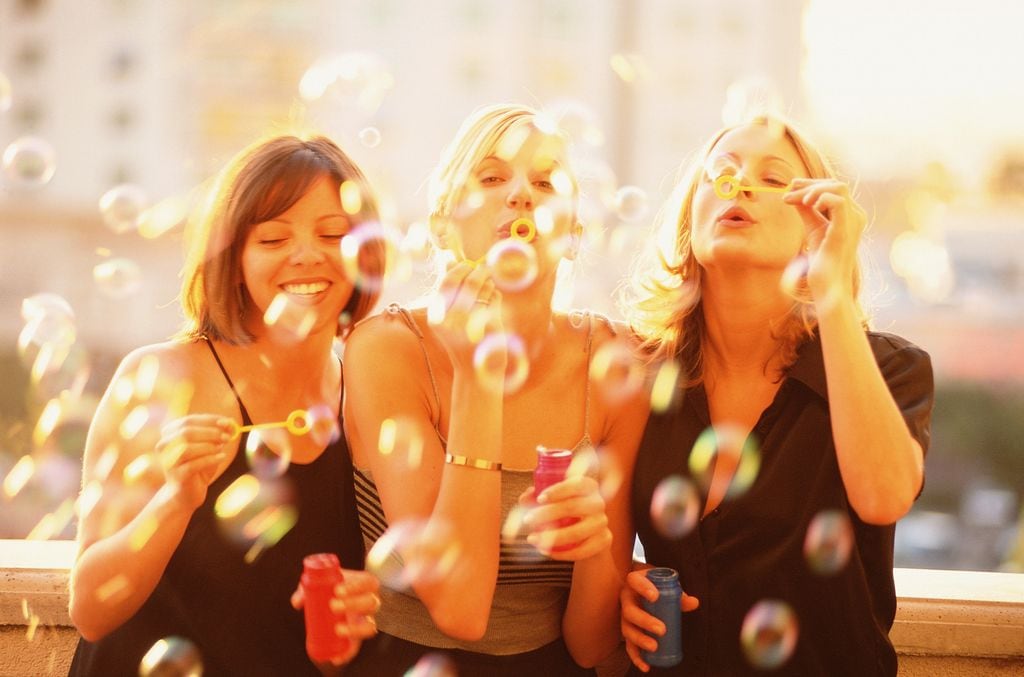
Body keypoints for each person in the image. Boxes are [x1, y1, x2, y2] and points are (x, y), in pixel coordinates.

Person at [617, 115, 934, 675]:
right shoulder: (641, 375)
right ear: (691, 218)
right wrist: (622, 589)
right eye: (723, 173)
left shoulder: (888, 368)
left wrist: (829, 288)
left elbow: (884, 497)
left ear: (816, 222)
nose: (739, 186)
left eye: (773, 178)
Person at [342, 103, 649, 676]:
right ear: (441, 222)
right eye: (491, 177)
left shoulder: (619, 362)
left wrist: (597, 548)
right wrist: (479, 376)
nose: (521, 196)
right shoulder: (386, 349)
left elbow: (591, 645)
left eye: (545, 182)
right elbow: (459, 610)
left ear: (574, 232)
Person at [68, 134, 384, 676]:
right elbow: (91, 610)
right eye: (273, 238)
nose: (306, 254)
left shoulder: (368, 392)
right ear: (234, 258)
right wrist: (175, 499)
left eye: (332, 233)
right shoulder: (163, 377)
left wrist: (352, 626)